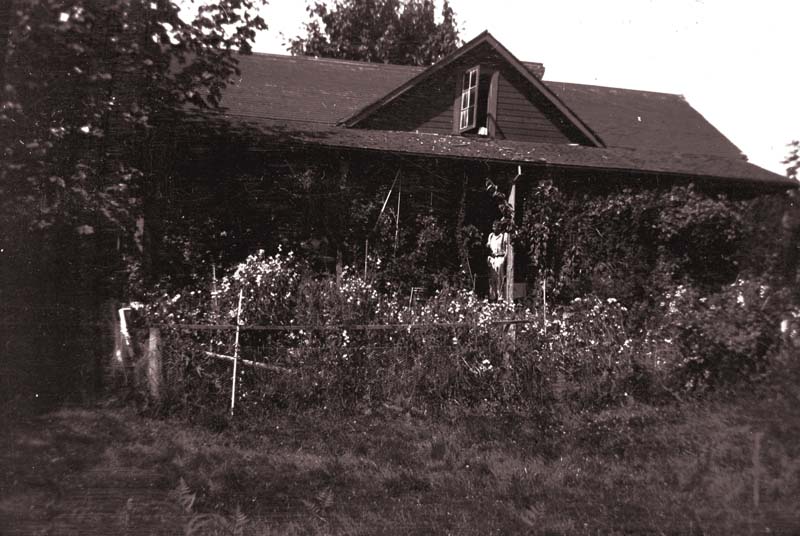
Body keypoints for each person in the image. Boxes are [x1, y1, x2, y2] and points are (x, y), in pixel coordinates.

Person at [486, 222, 508, 301]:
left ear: (499, 227)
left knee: (499, 278)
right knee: (492, 278)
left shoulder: (504, 236)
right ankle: (492, 297)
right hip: (493, 258)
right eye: (493, 226)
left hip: (500, 258)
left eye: (495, 226)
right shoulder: (491, 236)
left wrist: (504, 259)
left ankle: (500, 297)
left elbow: (507, 249)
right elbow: (488, 246)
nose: (493, 228)